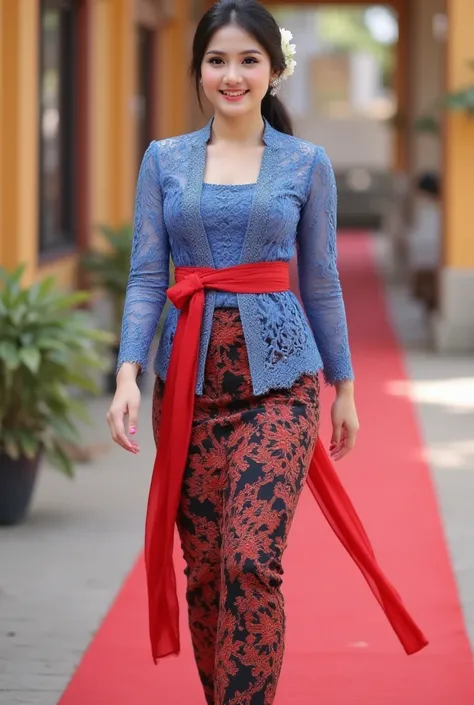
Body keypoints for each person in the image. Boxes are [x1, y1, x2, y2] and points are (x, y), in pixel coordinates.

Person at [106, 1, 427, 703]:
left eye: (248, 60)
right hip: (186, 384)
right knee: (207, 566)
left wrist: (343, 385)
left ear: (274, 71)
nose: (232, 74)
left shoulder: (306, 164)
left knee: (250, 558)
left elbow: (322, 278)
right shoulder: (164, 159)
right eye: (217, 59)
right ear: (198, 71)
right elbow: (146, 275)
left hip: (280, 383)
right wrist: (129, 370)